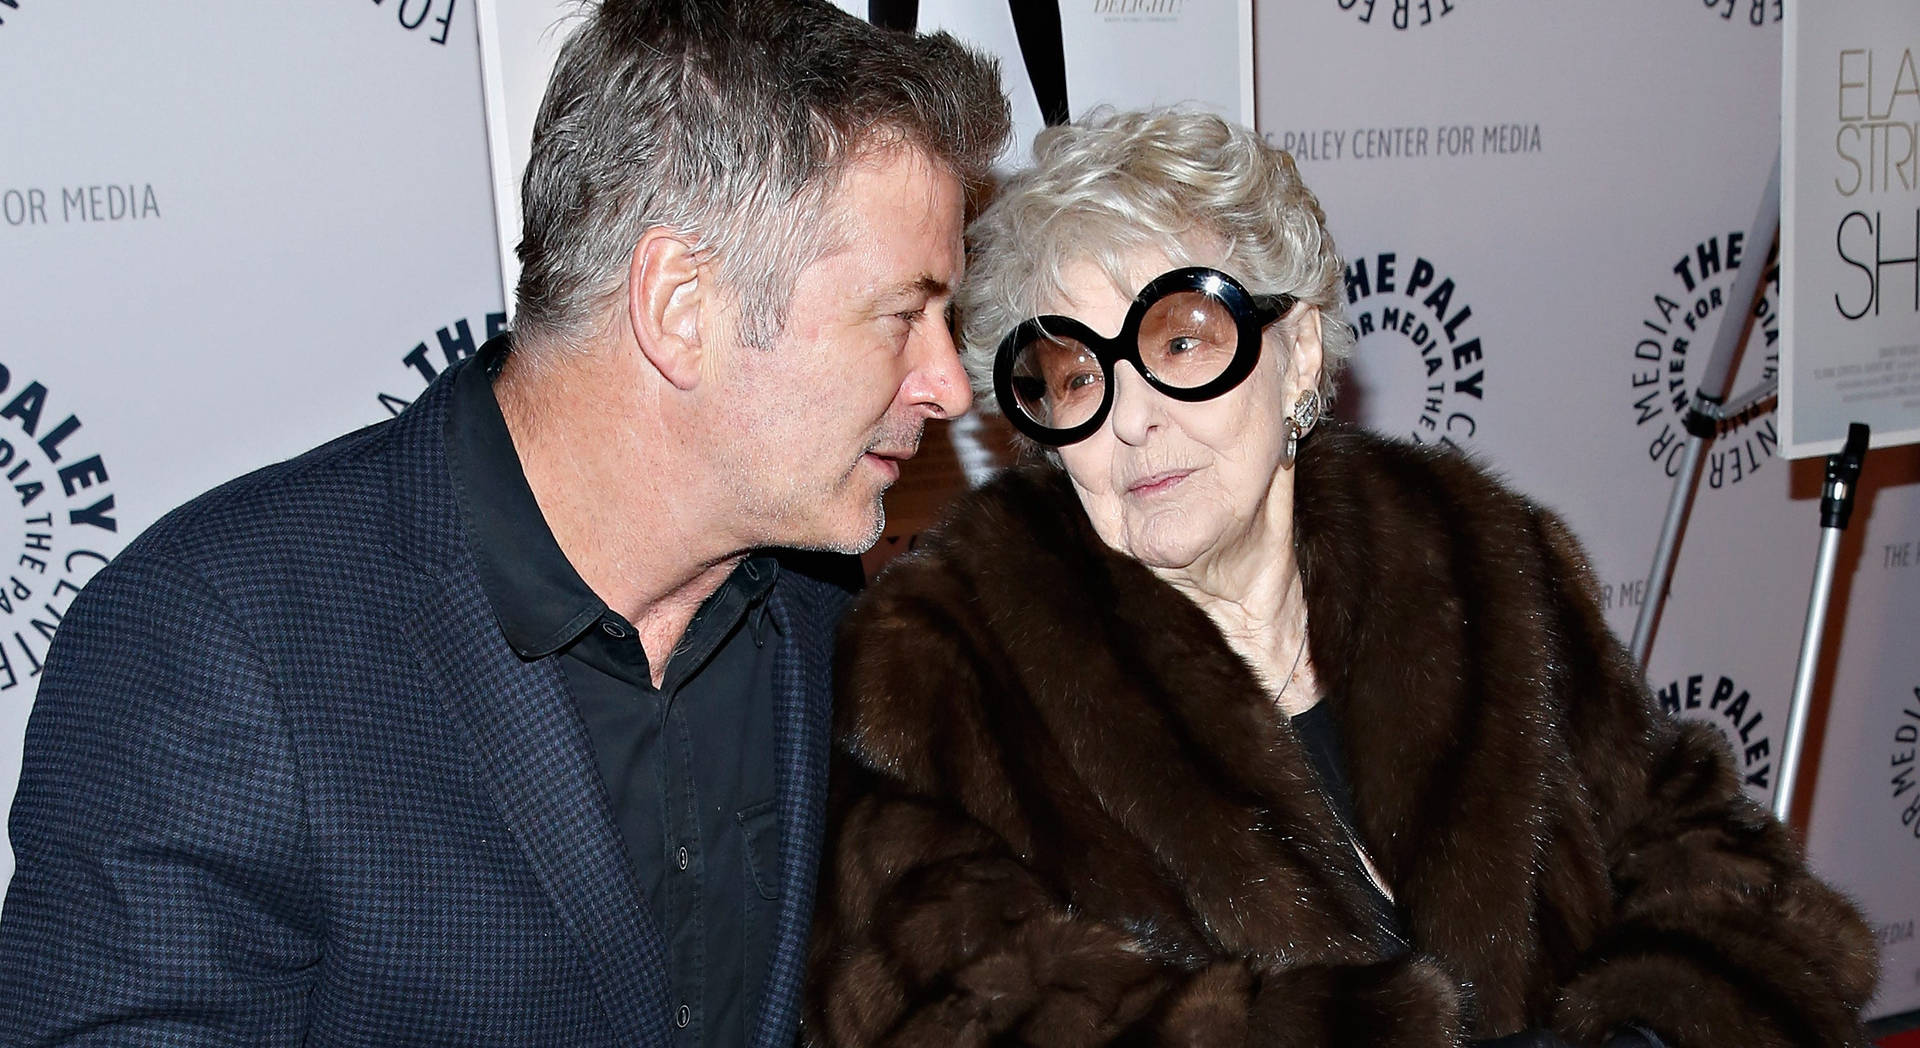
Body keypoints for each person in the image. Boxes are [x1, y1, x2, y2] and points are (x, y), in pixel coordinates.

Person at [0, 2, 1007, 1044]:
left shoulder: (828, 615)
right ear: (679, 307)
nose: (945, 384)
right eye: (903, 314)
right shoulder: (221, 642)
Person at [804, 110, 1876, 1048]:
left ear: (1302, 349)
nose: (1130, 417)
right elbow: (946, 1009)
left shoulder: (1475, 560)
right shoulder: (947, 666)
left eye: (1181, 340)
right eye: (1077, 372)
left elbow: (1714, 861)